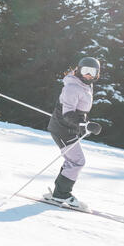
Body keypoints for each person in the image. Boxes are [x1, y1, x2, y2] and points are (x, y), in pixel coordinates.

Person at [45, 56, 102, 208]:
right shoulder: (72, 87)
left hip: (69, 129)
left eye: (92, 72)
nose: (88, 75)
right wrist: (85, 125)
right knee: (77, 161)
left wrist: (84, 124)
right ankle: (61, 194)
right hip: (62, 129)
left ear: (97, 74)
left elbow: (79, 111)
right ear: (78, 70)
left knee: (73, 161)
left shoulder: (84, 85)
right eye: (85, 71)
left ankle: (59, 192)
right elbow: (68, 114)